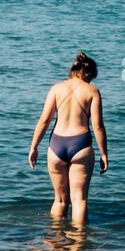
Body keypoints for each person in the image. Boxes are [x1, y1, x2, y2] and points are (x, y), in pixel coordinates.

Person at [27, 51, 108, 227]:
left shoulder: (56, 88)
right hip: (81, 146)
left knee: (60, 200)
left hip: (56, 146)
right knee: (79, 200)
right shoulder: (93, 92)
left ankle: (56, 241)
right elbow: (98, 126)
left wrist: (34, 147)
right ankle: (77, 248)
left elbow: (44, 121)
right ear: (88, 74)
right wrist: (104, 154)